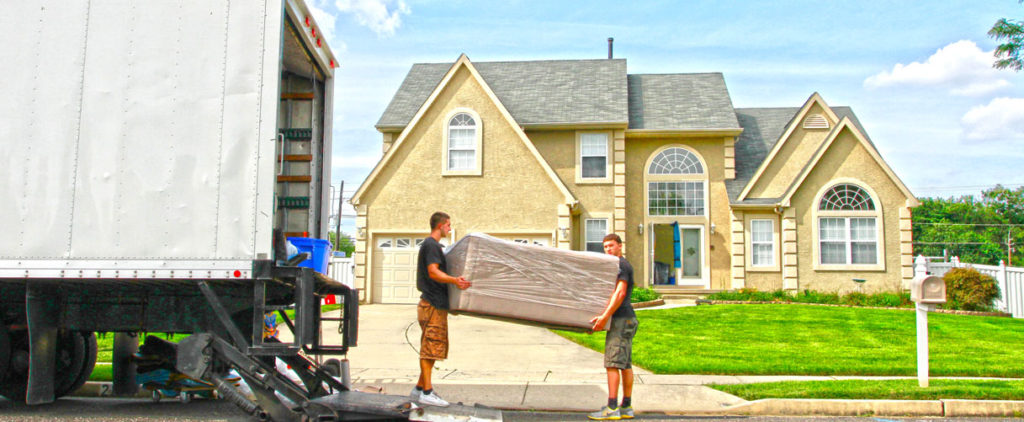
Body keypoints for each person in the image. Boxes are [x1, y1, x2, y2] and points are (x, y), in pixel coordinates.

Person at [410, 211, 471, 407]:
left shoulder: (434, 246)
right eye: (448, 225)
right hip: (432, 304)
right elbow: (433, 271)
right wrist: (455, 280)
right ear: (441, 226)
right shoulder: (431, 245)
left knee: (433, 347)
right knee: (430, 348)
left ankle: (419, 389)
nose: (450, 228)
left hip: (435, 304)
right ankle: (427, 392)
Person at [588, 233, 638, 420]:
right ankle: (626, 407)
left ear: (619, 246)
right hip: (627, 320)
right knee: (624, 364)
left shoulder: (621, 265)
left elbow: (620, 293)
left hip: (620, 320)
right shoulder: (619, 265)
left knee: (612, 363)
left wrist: (604, 317)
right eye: (605, 247)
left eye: (611, 245)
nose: (608, 249)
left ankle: (612, 408)